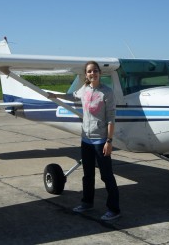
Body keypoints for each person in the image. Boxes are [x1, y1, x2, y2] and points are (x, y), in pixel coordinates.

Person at [48, 60, 120, 221]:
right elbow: (73, 96)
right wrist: (56, 95)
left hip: (101, 140)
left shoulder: (106, 92)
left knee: (107, 176)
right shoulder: (85, 89)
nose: (92, 73)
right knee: (88, 175)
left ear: (100, 73)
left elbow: (111, 119)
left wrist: (109, 140)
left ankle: (114, 209)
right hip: (86, 139)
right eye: (89, 71)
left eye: (95, 71)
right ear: (86, 75)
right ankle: (87, 203)